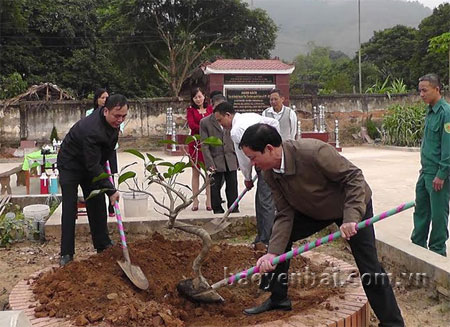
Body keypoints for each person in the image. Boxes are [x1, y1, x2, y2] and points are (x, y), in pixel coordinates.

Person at [238, 123, 405, 326]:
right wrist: (273, 253)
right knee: (279, 239)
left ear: (270, 149)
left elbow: (354, 178)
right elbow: (284, 213)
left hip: (350, 205)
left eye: (253, 157)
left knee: (368, 265)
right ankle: (278, 298)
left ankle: (392, 323)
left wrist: (351, 217)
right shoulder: (269, 173)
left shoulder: (313, 152)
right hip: (314, 210)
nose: (253, 164)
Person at [57, 94, 127, 266]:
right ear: (105, 111)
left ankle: (102, 244)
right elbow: (92, 165)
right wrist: (111, 189)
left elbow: (107, 151)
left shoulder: (113, 124)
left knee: (97, 201)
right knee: (69, 206)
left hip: (92, 162)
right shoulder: (92, 129)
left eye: (124, 116)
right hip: (70, 164)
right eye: (117, 116)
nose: (120, 120)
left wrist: (109, 181)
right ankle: (66, 253)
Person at [214, 102, 279, 247]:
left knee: (266, 200)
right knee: (261, 199)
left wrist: (248, 178)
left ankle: (266, 240)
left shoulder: (236, 131)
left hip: (265, 164)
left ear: (228, 115)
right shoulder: (250, 116)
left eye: (220, 120)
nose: (220, 124)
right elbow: (273, 123)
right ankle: (261, 236)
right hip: (264, 160)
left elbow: (244, 158)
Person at [411, 73, 450, 257]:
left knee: (438, 215)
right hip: (425, 171)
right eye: (420, 91)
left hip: (437, 174)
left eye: (425, 90)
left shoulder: (446, 113)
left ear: (437, 89)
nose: (422, 94)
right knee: (421, 210)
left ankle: (437, 251)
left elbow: (448, 147)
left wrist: (442, 174)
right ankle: (417, 246)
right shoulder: (430, 110)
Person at [200, 92, 238, 214]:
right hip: (215, 159)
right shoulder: (205, 122)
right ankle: (217, 209)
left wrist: (238, 160)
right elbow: (205, 144)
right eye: (217, 105)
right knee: (215, 186)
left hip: (230, 158)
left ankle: (234, 208)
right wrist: (209, 162)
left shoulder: (232, 120)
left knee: (232, 185)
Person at [86, 88, 118, 217]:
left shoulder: (114, 112)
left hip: (109, 149)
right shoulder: (90, 113)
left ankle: (112, 207)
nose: (105, 100)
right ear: (97, 99)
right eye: (103, 97)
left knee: (110, 177)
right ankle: (100, 208)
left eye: (107, 97)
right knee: (99, 176)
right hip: (95, 151)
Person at [186, 87, 213, 211]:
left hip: (208, 143)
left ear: (204, 96)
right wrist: (204, 128)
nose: (198, 99)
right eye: (195, 97)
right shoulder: (190, 110)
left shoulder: (210, 109)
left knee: (209, 172)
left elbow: (214, 123)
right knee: (195, 172)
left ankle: (209, 199)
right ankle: (195, 200)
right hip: (195, 144)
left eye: (200, 96)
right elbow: (192, 125)